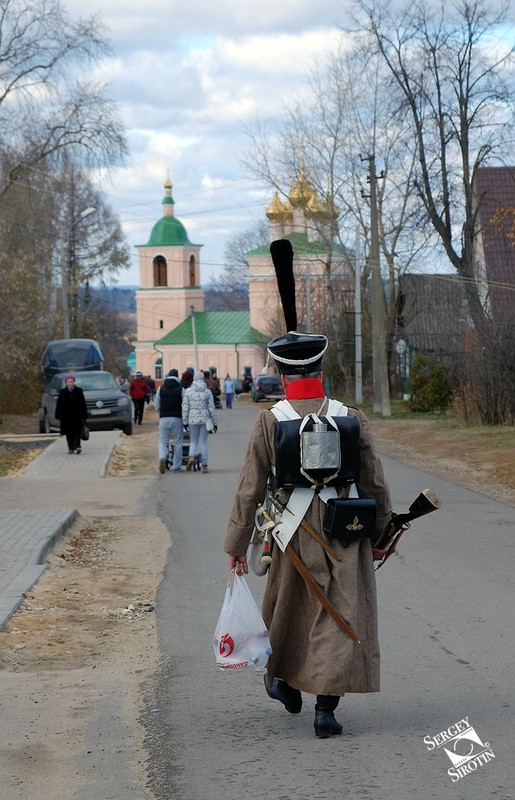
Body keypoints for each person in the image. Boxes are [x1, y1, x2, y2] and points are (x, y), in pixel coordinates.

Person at [224, 238, 391, 739]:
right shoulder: (350, 417)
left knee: (291, 610)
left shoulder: (268, 421)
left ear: (278, 372)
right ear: (319, 370)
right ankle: (325, 710)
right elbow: (375, 482)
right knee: (340, 612)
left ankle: (284, 683)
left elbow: (250, 488)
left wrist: (236, 546)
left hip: (291, 530)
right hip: (344, 528)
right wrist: (380, 531)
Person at [182, 370, 217, 473]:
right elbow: (211, 408)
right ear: (202, 378)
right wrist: (214, 423)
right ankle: (205, 466)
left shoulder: (188, 391)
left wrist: (185, 421)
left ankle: (191, 456)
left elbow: (185, 407)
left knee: (193, 441)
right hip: (205, 419)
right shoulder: (207, 391)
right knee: (203, 443)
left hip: (192, 419)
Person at [155, 369, 184, 473]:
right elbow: (184, 405)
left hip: (164, 419)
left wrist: (161, 412)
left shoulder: (161, 388)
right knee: (178, 443)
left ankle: (162, 457)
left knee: (163, 441)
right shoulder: (181, 389)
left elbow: (156, 404)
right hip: (177, 418)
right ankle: (177, 467)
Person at [55, 374, 88, 454]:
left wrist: (84, 415)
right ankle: (70, 448)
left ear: (74, 382)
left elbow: (83, 403)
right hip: (66, 417)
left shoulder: (79, 391)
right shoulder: (63, 392)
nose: (70, 383)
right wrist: (58, 415)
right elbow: (59, 404)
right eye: (68, 382)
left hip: (77, 415)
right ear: (66, 383)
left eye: (71, 382)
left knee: (77, 431)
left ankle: (77, 446)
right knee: (68, 433)